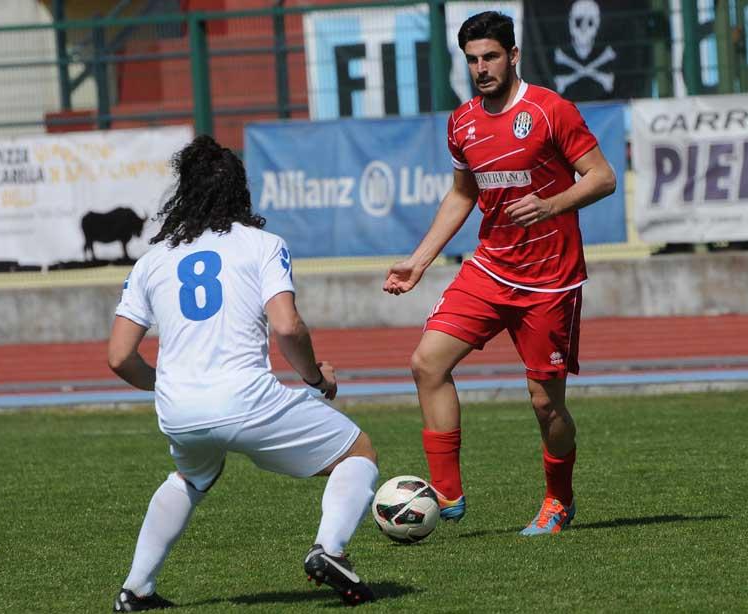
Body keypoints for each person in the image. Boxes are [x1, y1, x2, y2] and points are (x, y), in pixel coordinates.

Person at [108, 135, 378, 610]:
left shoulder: (152, 262)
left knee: (191, 478)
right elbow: (287, 327)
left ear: (182, 194)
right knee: (356, 451)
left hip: (178, 411)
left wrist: (165, 383)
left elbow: (119, 357)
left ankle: (135, 590)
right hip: (245, 401)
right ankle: (330, 550)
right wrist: (316, 379)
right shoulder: (263, 245)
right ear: (240, 191)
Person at [383, 11, 616, 536]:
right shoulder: (462, 121)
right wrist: (418, 261)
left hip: (550, 279)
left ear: (512, 56)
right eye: (471, 60)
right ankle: (446, 492)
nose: (481, 68)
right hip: (489, 268)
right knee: (427, 364)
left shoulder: (551, 110)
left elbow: (603, 177)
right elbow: (464, 193)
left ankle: (559, 499)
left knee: (544, 404)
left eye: (490, 56)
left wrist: (552, 204)